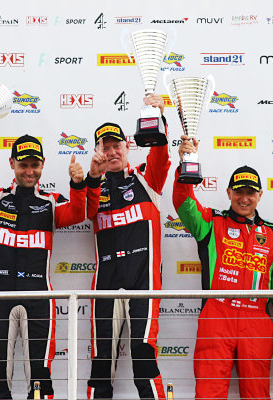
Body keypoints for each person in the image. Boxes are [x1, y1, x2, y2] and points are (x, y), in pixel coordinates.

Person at [0, 134, 87, 399]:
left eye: (34, 165)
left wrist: (78, 184)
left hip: (40, 298)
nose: (29, 171)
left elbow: (77, 213)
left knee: (40, 376)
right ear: (12, 163)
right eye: (23, 164)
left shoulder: (50, 201)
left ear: (43, 165)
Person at [173, 136, 273, 400]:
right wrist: (186, 162)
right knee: (208, 394)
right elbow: (182, 203)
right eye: (238, 192)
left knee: (257, 395)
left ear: (260, 195)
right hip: (217, 316)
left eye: (250, 193)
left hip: (257, 320)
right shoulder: (210, 222)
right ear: (228, 193)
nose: (244, 198)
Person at [85, 94, 169, 400]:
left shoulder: (147, 178)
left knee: (143, 358)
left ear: (127, 146)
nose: (111, 151)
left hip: (142, 283)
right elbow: (86, 211)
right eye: (104, 147)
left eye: (115, 145)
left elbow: (161, 154)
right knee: (100, 364)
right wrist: (91, 179)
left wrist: (159, 116)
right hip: (105, 284)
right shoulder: (93, 186)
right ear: (96, 152)